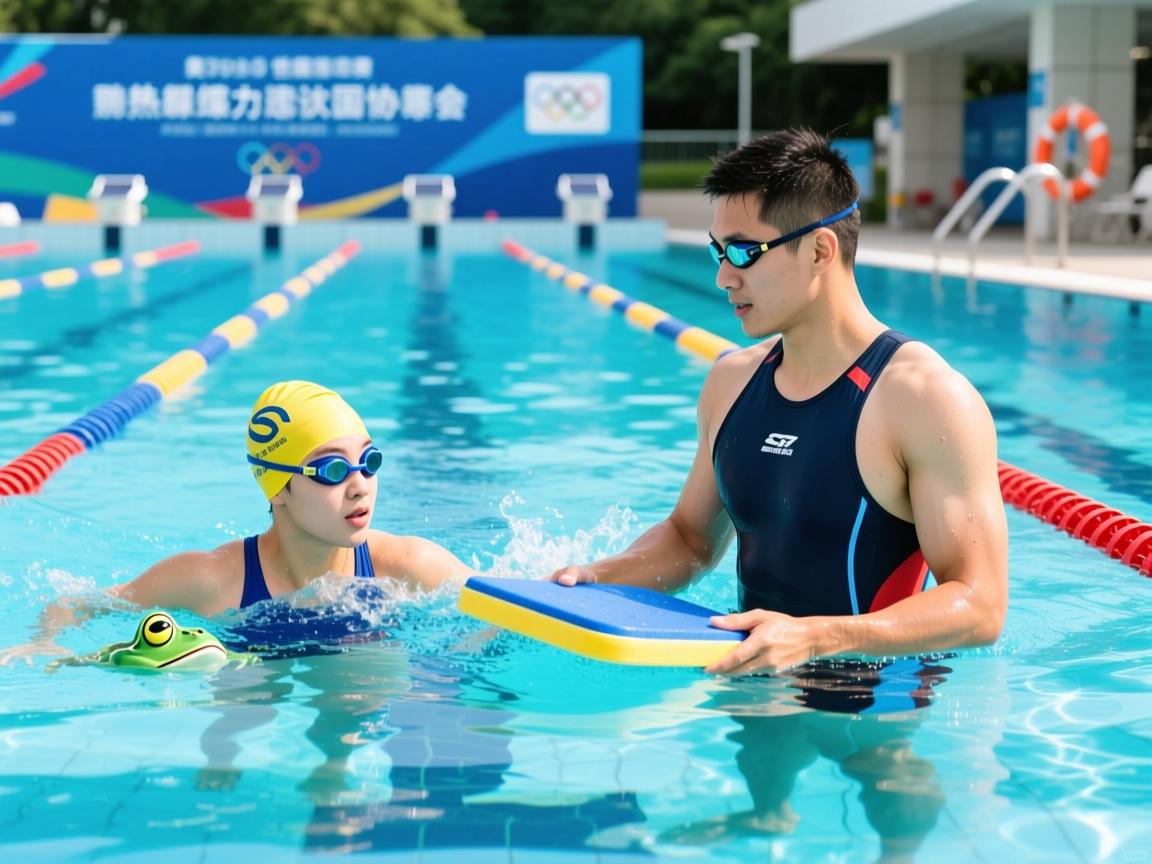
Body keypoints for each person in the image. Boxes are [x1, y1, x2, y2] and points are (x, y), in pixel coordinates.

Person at [553, 128, 1008, 677]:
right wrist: (600, 577)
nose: (724, 277)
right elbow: (690, 540)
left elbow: (980, 605)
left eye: (744, 252)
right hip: (754, 680)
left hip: (875, 706)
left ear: (820, 250)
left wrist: (816, 637)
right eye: (718, 252)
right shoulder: (731, 383)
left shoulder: (923, 398)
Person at [2, 380, 472, 663]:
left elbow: (505, 600)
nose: (360, 485)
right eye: (332, 470)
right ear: (278, 488)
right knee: (239, 695)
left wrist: (549, 580)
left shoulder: (406, 563)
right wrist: (45, 641)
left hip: (364, 667)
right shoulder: (214, 579)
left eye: (369, 462)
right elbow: (79, 603)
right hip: (254, 662)